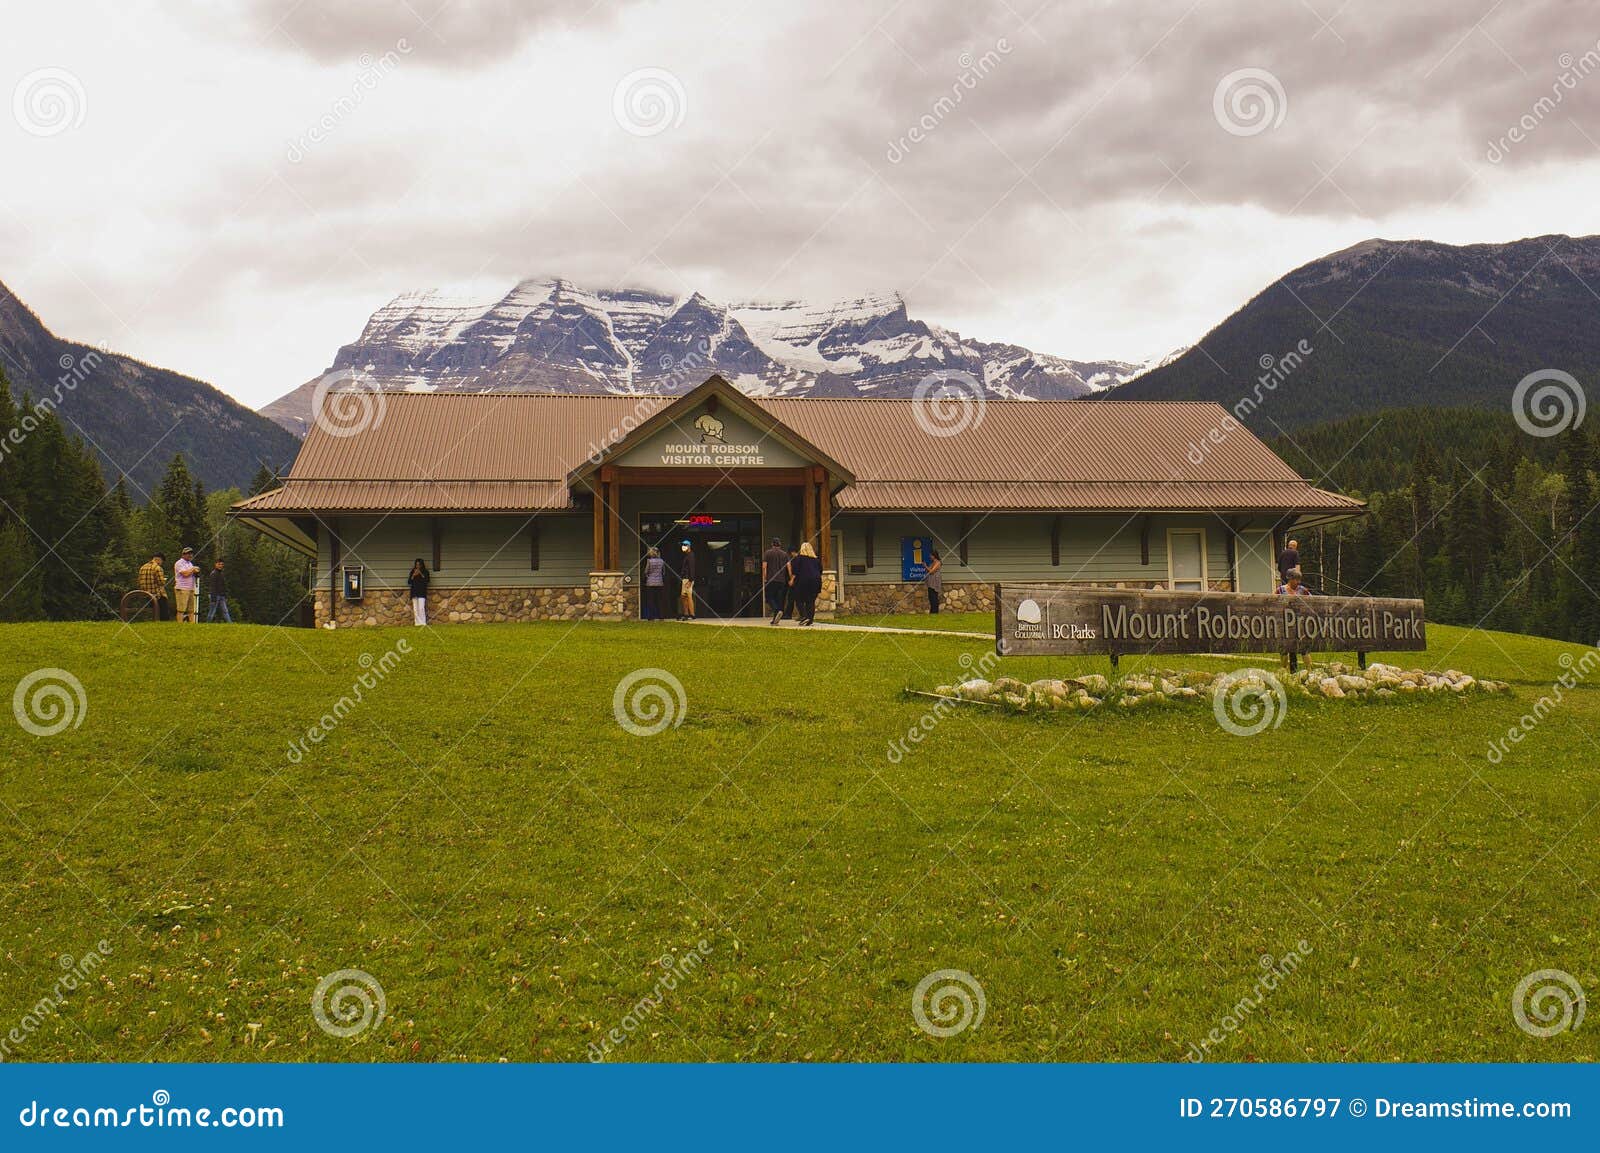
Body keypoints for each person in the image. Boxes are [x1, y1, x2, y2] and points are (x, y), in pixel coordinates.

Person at [789, 541, 823, 626]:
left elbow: (795, 571)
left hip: (803, 582)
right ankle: (810, 619)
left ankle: (804, 616)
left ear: (802, 549)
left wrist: (791, 580)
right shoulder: (816, 560)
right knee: (811, 601)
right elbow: (820, 571)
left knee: (798, 599)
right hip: (816, 582)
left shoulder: (799, 559)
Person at [762, 536, 790, 625]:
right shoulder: (785, 554)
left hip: (771, 579)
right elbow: (789, 566)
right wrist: (791, 577)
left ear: (772, 544)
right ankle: (775, 620)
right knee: (778, 599)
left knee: (769, 597)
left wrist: (765, 578)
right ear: (780, 544)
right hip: (781, 580)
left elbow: (764, 567)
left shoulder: (767, 553)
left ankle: (777, 610)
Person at [137, 552, 168, 620]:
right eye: (162, 561)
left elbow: (139, 581)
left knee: (153, 613)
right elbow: (161, 582)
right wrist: (164, 580)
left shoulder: (142, 567)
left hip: (146, 594)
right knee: (164, 614)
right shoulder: (158, 568)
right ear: (159, 559)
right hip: (157, 595)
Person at [173, 546, 200, 622]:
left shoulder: (190, 563)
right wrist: (193, 569)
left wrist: (196, 571)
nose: (190, 555)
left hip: (190, 588)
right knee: (181, 609)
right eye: (188, 554)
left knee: (191, 610)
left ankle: (192, 624)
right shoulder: (179, 563)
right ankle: (180, 624)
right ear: (183, 554)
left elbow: (191, 573)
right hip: (182, 588)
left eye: (191, 554)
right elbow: (185, 574)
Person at [642, 546, 666, 620]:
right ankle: (661, 616)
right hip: (659, 582)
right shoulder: (662, 561)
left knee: (651, 600)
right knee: (659, 600)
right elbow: (664, 572)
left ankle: (651, 617)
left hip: (650, 583)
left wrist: (647, 576)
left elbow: (646, 571)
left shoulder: (649, 561)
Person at [677, 541, 697, 620]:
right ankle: (686, 613)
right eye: (682, 545)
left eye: (685, 545)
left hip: (688, 579)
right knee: (683, 596)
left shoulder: (691, 555)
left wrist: (690, 580)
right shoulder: (687, 555)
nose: (683, 546)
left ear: (689, 546)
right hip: (685, 578)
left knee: (688, 596)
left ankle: (692, 614)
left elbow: (692, 568)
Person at [407, 558, 430, 625]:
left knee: (421, 608)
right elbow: (409, 582)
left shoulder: (425, 572)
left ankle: (423, 623)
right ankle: (417, 623)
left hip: (422, 592)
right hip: (414, 591)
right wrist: (413, 575)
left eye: (419, 565)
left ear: (421, 565)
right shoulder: (412, 571)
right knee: (415, 609)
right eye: (416, 565)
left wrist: (420, 574)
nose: (417, 566)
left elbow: (427, 581)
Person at [925, 548, 943, 614]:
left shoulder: (938, 562)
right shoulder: (933, 562)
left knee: (934, 597)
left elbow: (931, 571)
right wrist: (926, 567)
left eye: (931, 555)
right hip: (930, 582)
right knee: (930, 597)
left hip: (935, 582)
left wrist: (925, 566)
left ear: (934, 555)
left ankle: (935, 611)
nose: (930, 556)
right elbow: (930, 569)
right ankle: (932, 611)